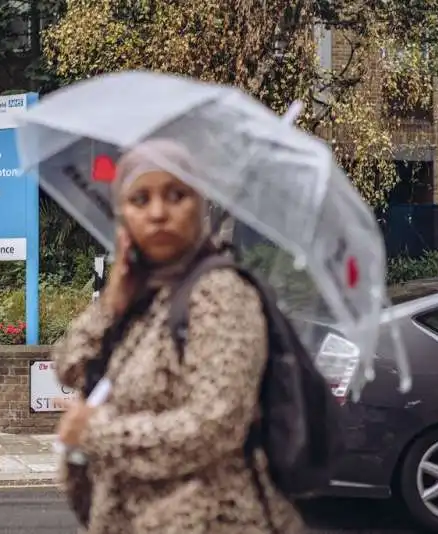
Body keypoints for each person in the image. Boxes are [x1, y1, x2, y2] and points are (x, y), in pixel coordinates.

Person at [53, 139, 304, 533]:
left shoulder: (219, 292)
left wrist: (96, 433)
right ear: (123, 217)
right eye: (140, 199)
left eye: (176, 195)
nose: (157, 213)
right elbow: (71, 367)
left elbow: (214, 425)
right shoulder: (148, 296)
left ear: (199, 204)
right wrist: (113, 300)